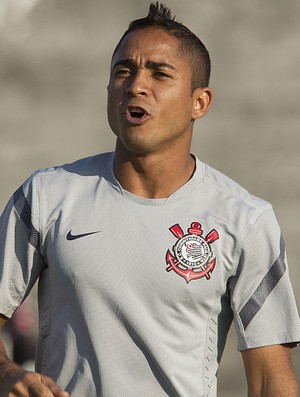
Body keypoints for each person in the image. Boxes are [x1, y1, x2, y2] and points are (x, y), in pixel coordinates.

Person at [0, 2, 299, 396]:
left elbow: (268, 378)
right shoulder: (45, 196)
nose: (136, 85)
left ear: (200, 102)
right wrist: (6, 374)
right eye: (123, 71)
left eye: (160, 74)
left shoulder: (246, 220)